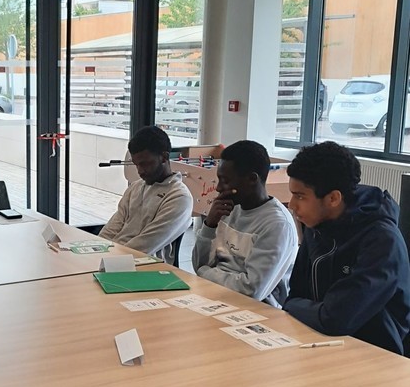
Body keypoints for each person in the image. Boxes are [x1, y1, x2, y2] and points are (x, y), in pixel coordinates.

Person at [255, 141, 410, 387]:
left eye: (300, 196)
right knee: (243, 375)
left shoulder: (381, 239)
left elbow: (333, 316)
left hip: (373, 357)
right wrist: (303, 308)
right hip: (320, 342)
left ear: (334, 197)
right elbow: (301, 299)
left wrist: (301, 308)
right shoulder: (318, 224)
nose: (291, 205)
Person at [191, 140, 298, 306]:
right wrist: (209, 225)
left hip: (257, 312)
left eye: (225, 181)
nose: (219, 188)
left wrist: (206, 273)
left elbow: (252, 291)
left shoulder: (276, 224)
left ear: (252, 179)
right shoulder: (228, 209)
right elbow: (198, 264)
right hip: (214, 297)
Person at [99, 126, 193, 262]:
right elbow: (112, 229)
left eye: (145, 164)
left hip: (146, 267)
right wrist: (95, 249)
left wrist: (107, 259)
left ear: (164, 157)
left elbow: (144, 246)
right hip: (116, 259)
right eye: (136, 164)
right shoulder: (135, 187)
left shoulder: (179, 197)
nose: (140, 171)